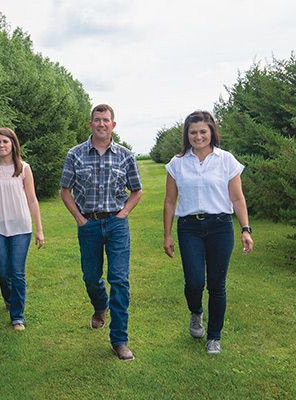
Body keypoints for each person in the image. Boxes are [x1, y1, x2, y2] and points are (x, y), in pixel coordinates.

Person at [163, 110, 254, 355]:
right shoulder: (177, 163)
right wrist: (167, 235)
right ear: (187, 135)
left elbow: (237, 198)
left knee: (217, 284)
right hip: (189, 228)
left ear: (212, 131)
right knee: (194, 282)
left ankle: (214, 336)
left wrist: (245, 229)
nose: (198, 136)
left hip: (220, 227)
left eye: (203, 131)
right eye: (193, 132)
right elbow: (170, 202)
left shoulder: (226, 160)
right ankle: (196, 312)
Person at [60, 104, 142, 361]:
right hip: (90, 224)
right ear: (91, 124)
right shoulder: (75, 155)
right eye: (97, 120)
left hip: (116, 223)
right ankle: (100, 307)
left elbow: (136, 190)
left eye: (106, 120)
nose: (101, 124)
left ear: (113, 125)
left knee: (119, 280)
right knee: (91, 277)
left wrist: (124, 213)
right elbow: (65, 190)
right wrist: (80, 219)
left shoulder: (125, 156)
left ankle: (119, 340)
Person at [0, 128, 45, 331]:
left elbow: (32, 200)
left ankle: (17, 317)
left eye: (5, 142)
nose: (2, 146)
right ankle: (9, 298)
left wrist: (39, 230)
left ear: (13, 144)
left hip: (20, 227)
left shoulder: (24, 169)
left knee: (17, 272)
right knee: (2, 272)